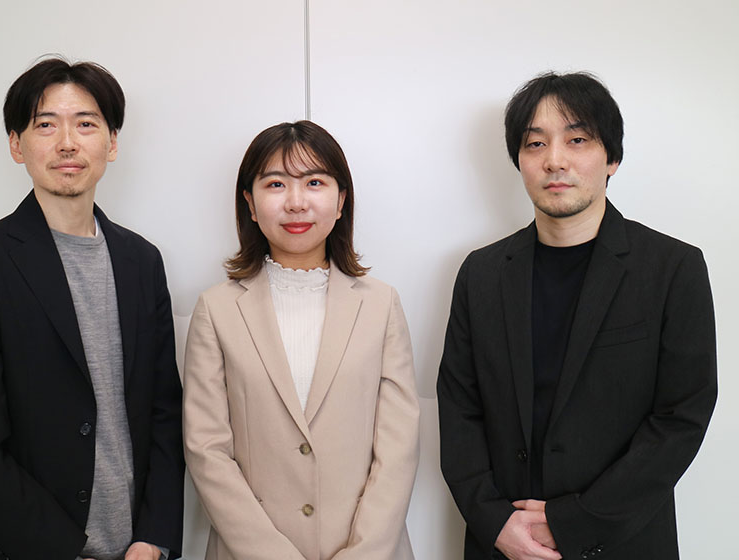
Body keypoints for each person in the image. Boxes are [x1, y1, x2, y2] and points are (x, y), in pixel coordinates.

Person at [437, 72, 717, 560]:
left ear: (612, 158)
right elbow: (459, 409)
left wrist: (574, 522)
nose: (555, 160)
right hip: (502, 543)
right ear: (519, 161)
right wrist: (495, 522)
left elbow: (681, 418)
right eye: (535, 143)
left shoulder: (673, 268)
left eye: (577, 139)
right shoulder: (481, 273)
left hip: (623, 543)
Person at [0, 57, 184, 560]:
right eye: (45, 125)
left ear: (111, 142)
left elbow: (163, 413)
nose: (67, 142)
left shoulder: (142, 261)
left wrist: (154, 536)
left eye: (86, 124)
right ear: (16, 145)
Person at [183, 120, 420, 560]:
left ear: (341, 200)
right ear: (251, 204)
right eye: (276, 184)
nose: (296, 202)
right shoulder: (216, 310)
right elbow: (207, 451)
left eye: (314, 182)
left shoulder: (381, 304)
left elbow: (398, 449)